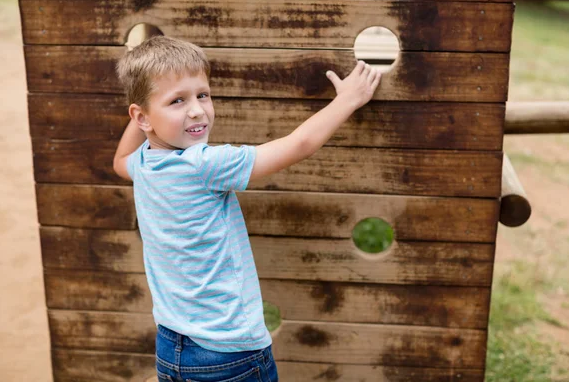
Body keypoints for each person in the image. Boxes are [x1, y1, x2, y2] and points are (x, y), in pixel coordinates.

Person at [113, 35, 382, 382]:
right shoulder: (204, 164)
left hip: (170, 345)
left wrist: (147, 111)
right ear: (142, 117)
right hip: (230, 352)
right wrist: (347, 100)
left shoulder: (144, 165)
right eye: (177, 100)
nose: (196, 109)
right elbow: (299, 145)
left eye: (203, 95)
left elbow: (119, 159)